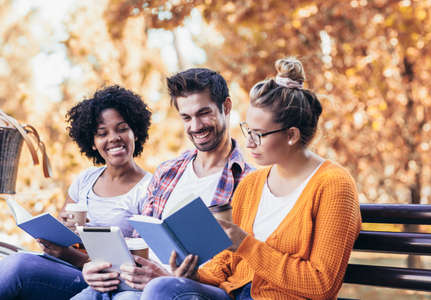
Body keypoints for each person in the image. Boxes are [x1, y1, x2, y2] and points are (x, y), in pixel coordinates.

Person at [140, 57, 362, 300]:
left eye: (258, 134)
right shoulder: (251, 185)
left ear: (291, 135)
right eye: (248, 130)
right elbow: (228, 262)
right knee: (161, 288)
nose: (248, 143)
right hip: (234, 295)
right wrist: (192, 275)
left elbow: (322, 285)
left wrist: (246, 244)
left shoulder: (333, 186)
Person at [73, 68, 253, 300]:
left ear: (226, 107)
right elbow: (138, 239)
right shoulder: (169, 171)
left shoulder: (248, 181)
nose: (196, 126)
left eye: (204, 113)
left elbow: (242, 268)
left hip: (194, 287)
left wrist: (169, 276)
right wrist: (92, 266)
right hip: (139, 283)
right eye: (186, 118)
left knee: (147, 292)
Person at [0, 85, 153, 300]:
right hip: (73, 271)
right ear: (92, 142)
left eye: (122, 128)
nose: (114, 138)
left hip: (111, 282)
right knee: (16, 263)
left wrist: (69, 255)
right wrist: (61, 235)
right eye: (102, 133)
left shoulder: (150, 189)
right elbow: (66, 239)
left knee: (20, 267)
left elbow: (139, 263)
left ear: (135, 131)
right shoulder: (85, 180)